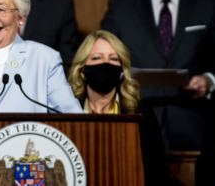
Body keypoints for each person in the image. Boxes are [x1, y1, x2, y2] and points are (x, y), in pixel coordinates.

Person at [101, 0, 215, 151]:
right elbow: (104, 61)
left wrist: (209, 80)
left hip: (194, 123)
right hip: (137, 121)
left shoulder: (208, 5)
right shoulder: (121, 6)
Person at [68, 30, 169, 185]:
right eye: (97, 58)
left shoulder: (142, 115)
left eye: (113, 58)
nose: (106, 64)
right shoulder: (66, 114)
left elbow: (157, 175)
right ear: (82, 71)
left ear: (122, 71)